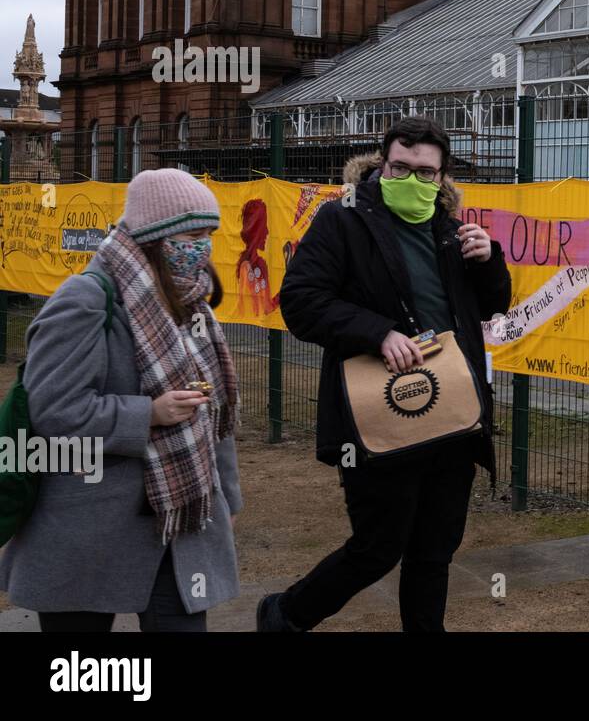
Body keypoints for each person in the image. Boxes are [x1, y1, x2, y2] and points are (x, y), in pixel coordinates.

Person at [258, 115, 510, 632]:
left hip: (453, 409)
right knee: (377, 548)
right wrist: (377, 332)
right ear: (381, 162)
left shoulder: (450, 229)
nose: (412, 181)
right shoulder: (341, 221)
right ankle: (284, 615)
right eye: (400, 167)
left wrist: (489, 261)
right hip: (379, 411)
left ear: (441, 177)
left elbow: (491, 306)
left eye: (425, 173)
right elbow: (302, 302)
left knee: (435, 551)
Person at [0, 168, 242, 631]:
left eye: (209, 233)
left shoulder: (190, 305)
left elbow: (212, 417)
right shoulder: (86, 300)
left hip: (181, 519)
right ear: (155, 236)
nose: (204, 246)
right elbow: (54, 411)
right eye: (193, 233)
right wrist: (147, 414)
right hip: (87, 527)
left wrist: (225, 499)